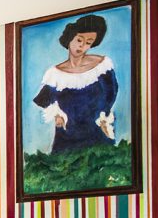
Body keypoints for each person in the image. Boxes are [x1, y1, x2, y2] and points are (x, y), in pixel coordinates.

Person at [33, 14, 117, 154]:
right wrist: (57, 114)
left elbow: (111, 93)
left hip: (97, 133)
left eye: (88, 42)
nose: (82, 46)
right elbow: (44, 100)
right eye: (79, 40)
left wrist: (105, 118)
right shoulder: (54, 75)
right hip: (67, 138)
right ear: (70, 37)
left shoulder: (102, 66)